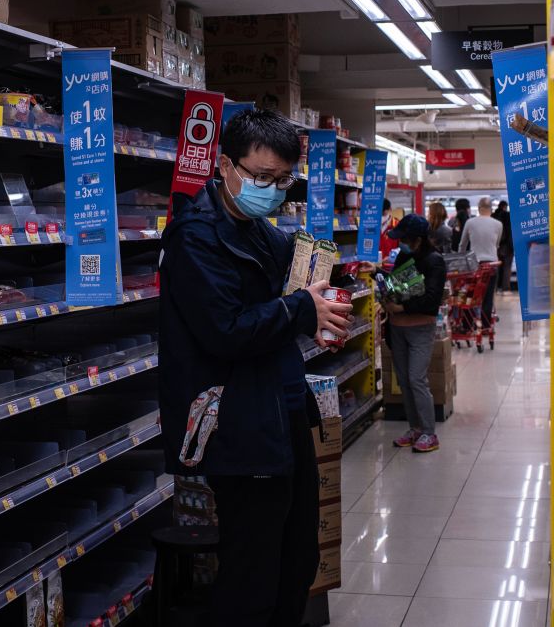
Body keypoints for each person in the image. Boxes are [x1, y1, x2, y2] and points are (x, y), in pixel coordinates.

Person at [158, 109, 353, 627]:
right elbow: (224, 330)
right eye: (261, 177)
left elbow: (290, 289)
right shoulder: (195, 237)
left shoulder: (259, 232)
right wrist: (300, 311)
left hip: (280, 407)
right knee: (253, 570)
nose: (271, 189)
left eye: (282, 179)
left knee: (296, 557)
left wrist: (324, 299)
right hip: (237, 421)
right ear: (225, 165)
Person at [383, 214, 447, 453]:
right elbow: (395, 283)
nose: (401, 243)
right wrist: (379, 276)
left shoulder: (434, 261)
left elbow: (432, 298)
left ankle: (430, 433)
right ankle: (415, 429)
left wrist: (402, 306)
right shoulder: (403, 256)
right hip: (397, 328)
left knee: (416, 379)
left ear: (417, 239)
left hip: (420, 327)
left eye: (405, 239)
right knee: (404, 381)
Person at [459, 197, 504, 328]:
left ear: (479, 209)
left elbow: (462, 244)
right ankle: (485, 324)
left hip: (474, 265)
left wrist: (461, 260)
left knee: (470, 295)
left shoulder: (470, 222)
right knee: (488, 296)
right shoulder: (498, 224)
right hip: (491, 265)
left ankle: (467, 324)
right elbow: (496, 244)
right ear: (491, 209)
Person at [493, 200, 514, 292]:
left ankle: (496, 286)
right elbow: (511, 232)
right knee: (507, 267)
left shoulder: (493, 216)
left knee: (497, 266)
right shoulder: (508, 216)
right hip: (507, 246)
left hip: (496, 246)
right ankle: (505, 287)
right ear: (505, 207)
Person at [378, 198, 401, 262]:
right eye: (379, 214)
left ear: (390, 209)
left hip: (392, 263)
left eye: (383, 214)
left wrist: (392, 257)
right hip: (375, 263)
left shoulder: (397, 225)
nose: (381, 217)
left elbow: (402, 246)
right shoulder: (372, 224)